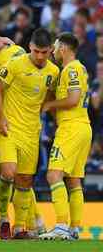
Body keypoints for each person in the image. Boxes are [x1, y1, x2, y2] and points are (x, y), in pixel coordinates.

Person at [0, 28, 59, 239]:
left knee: (24, 180)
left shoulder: (53, 72)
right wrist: (1, 118)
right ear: (30, 47)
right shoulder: (15, 64)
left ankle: (20, 227)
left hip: (32, 132)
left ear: (51, 50)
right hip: (9, 128)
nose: (39, 56)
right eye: (36, 51)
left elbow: (48, 96)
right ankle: (3, 216)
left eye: (44, 52)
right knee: (8, 172)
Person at [40, 32, 92, 240]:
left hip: (71, 128)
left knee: (53, 175)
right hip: (82, 127)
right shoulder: (78, 68)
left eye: (54, 46)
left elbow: (72, 99)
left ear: (63, 48)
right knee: (74, 180)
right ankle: (74, 227)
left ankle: (61, 226)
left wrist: (49, 104)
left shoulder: (71, 69)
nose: (52, 50)